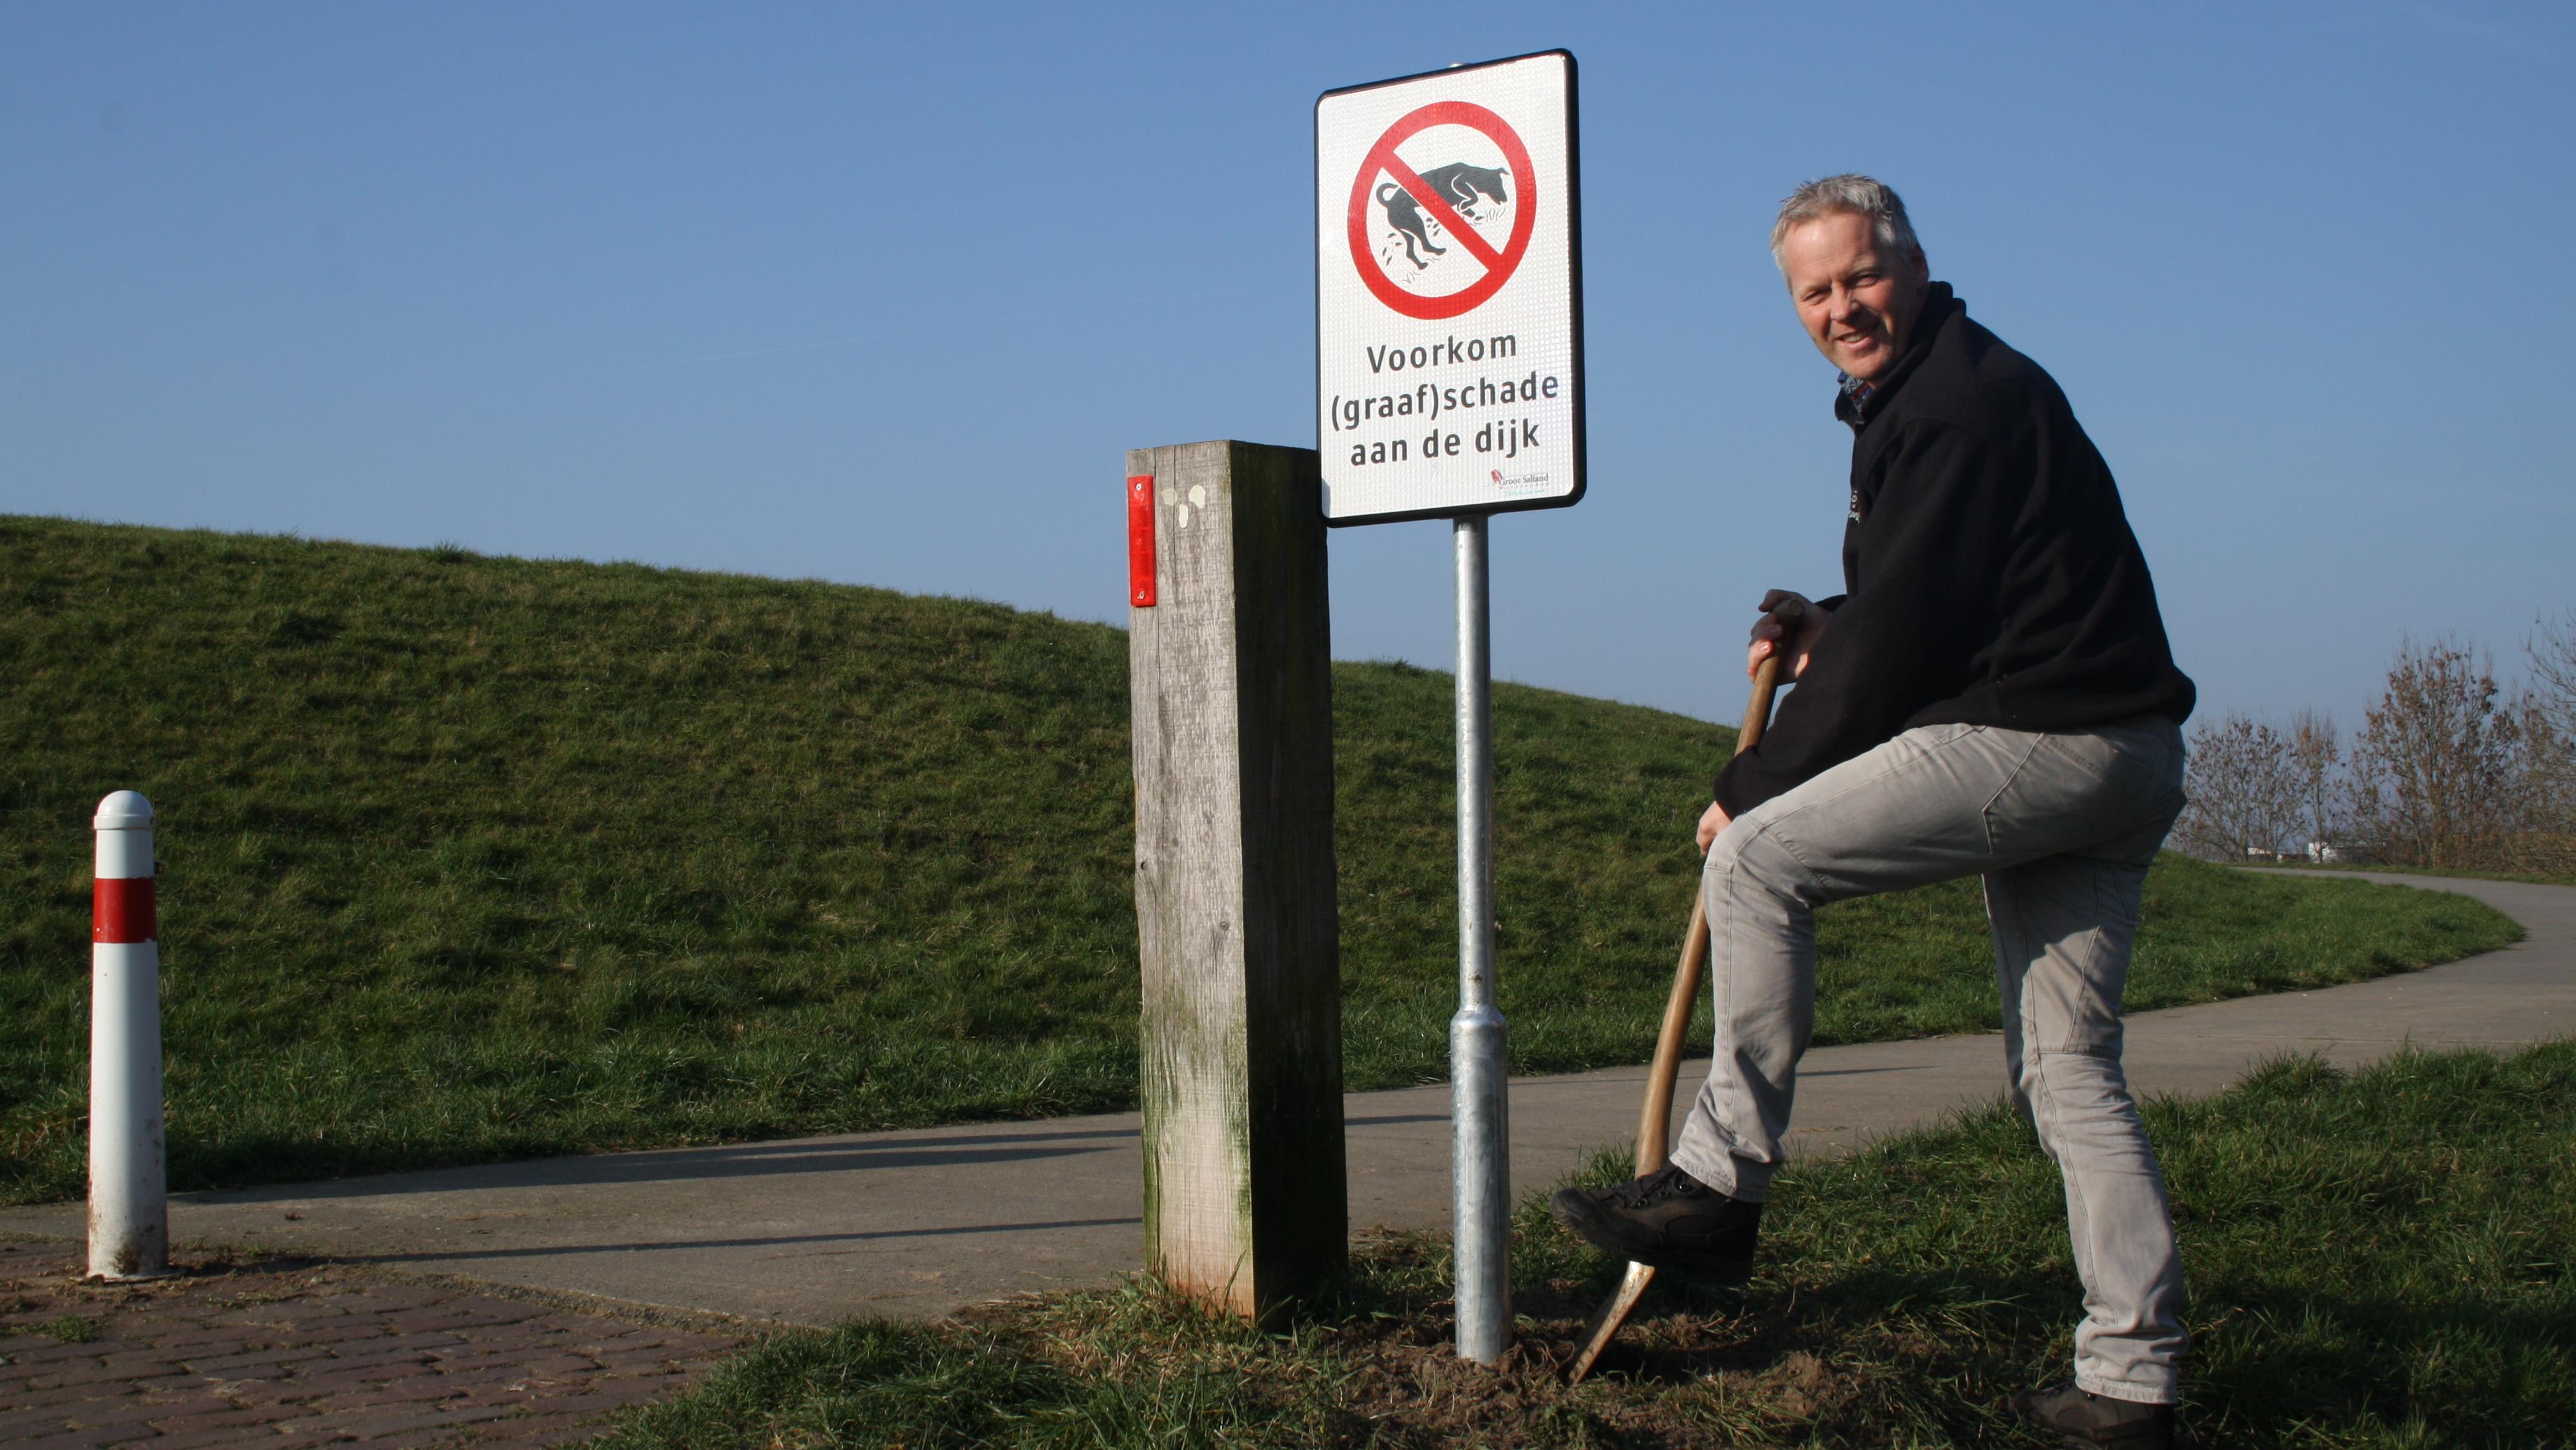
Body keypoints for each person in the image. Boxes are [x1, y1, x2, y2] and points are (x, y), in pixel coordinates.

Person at [1550, 174, 2198, 1449]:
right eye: (1816, 291)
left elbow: (1904, 652)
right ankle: (2135, 1386)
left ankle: (1716, 1189)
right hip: (2123, 750)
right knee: (2069, 1073)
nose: (1843, 307)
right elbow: (1946, 603)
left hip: (2051, 738)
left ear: (1911, 263)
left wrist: (1750, 788)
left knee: (1758, 867)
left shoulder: (1956, 402)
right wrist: (1828, 629)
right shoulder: (1936, 394)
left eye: (1862, 277)